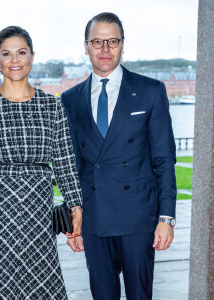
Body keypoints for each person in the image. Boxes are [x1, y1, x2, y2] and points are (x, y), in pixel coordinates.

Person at [0, 25, 83, 299]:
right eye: (7, 54)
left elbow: (64, 161)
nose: (15, 60)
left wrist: (76, 205)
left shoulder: (52, 106)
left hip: (38, 210)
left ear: (32, 56)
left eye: (21, 53)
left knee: (41, 281)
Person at [62, 12, 176, 300]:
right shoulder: (70, 99)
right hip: (94, 217)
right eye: (97, 41)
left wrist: (167, 218)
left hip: (138, 217)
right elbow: (70, 166)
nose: (105, 49)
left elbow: (164, 159)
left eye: (112, 41)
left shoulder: (150, 91)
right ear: (85, 46)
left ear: (123, 45)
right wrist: (70, 221)